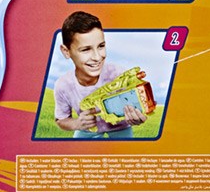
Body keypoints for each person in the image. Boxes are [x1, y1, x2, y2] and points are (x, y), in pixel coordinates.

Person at [54, 11, 147, 139]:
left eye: (101, 46)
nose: (97, 57)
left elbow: (142, 104)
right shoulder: (63, 85)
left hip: (121, 128)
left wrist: (139, 116)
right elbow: (61, 119)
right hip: (87, 130)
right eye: (86, 49)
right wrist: (77, 123)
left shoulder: (118, 75)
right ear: (66, 51)